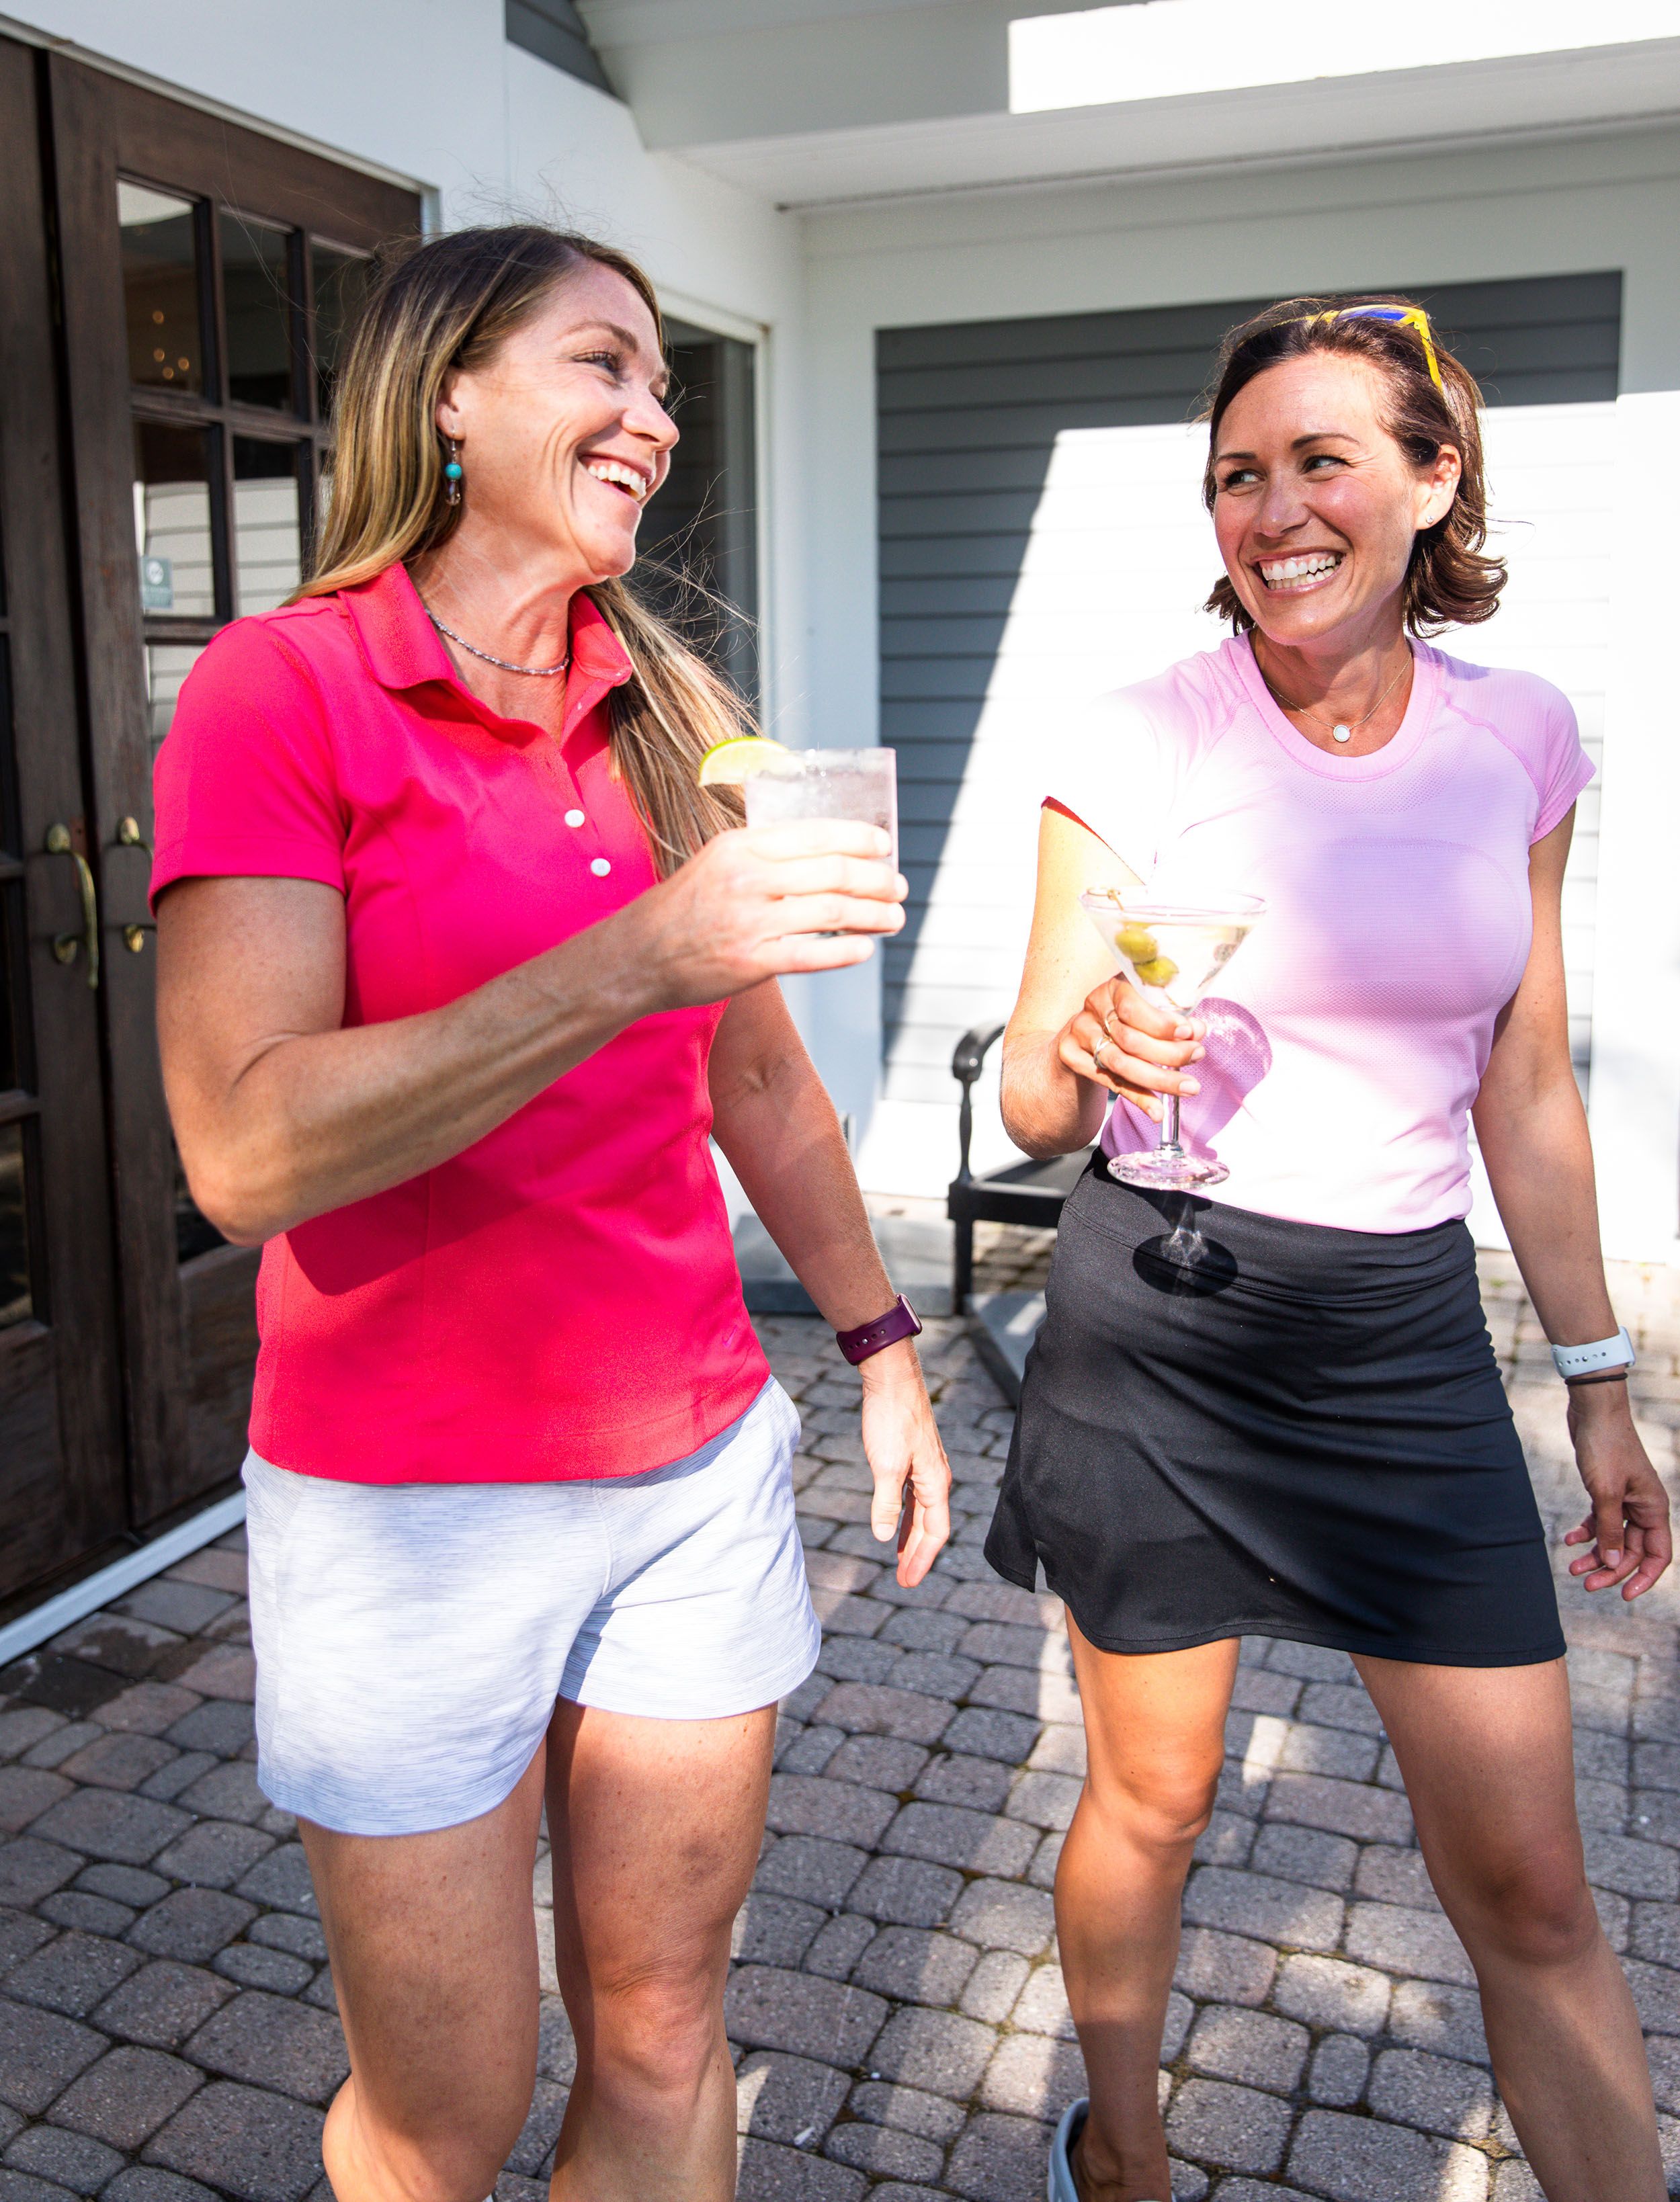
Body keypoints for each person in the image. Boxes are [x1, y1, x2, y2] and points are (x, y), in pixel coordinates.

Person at [151, 224, 951, 2202]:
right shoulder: (284, 690)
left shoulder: (663, 700)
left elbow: (751, 1075)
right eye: (605, 366)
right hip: (406, 1512)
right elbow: (242, 1154)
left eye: (665, 381)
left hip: (686, 1474)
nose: (655, 418)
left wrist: (881, 1350)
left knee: (671, 2034)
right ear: (450, 393)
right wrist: (629, 958)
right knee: (446, 2115)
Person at [989, 296, 1669, 2202]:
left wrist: (1598, 1384)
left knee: (1529, 1877)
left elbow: (1521, 1085)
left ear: (1430, 477)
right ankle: (1119, 2162)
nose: (1270, 510)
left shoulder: (1516, 736)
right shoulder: (1140, 733)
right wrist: (1079, 1054)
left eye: (1318, 461)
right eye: (1234, 472)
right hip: (1162, 1327)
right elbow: (1036, 1103)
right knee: (1156, 1793)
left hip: (1395, 1344)